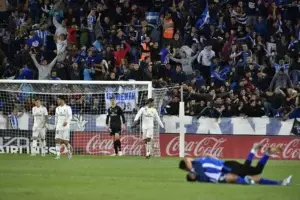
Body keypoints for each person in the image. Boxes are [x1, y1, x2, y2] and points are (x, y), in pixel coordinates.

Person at [179, 143, 292, 186]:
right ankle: (280, 182)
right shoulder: (199, 164)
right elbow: (208, 156)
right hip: (226, 167)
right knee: (257, 173)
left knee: (246, 172)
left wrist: (215, 160)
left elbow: (187, 159)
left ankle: (253, 149)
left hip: (226, 166)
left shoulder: (196, 164)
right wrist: (213, 158)